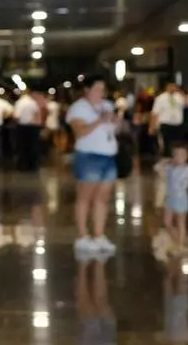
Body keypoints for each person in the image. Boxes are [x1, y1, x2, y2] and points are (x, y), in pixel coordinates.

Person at [66, 75, 119, 255]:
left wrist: (116, 122)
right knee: (85, 196)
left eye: (103, 89)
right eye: (97, 89)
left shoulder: (107, 106)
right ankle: (82, 235)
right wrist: (100, 120)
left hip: (109, 155)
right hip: (89, 156)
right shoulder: (78, 108)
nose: (101, 93)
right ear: (87, 90)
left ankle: (99, 234)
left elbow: (113, 130)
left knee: (102, 198)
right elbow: (80, 132)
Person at [155, 142, 188, 256]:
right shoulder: (169, 168)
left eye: (182, 154)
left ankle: (180, 245)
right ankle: (180, 241)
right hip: (170, 198)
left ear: (187, 156)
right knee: (167, 222)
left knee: (181, 222)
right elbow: (157, 168)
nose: (178, 157)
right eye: (176, 154)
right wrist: (166, 161)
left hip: (181, 198)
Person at [150, 81, 186, 158]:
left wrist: (182, 93)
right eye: (171, 86)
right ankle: (167, 160)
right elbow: (154, 113)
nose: (173, 88)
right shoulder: (160, 98)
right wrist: (152, 127)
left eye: (174, 86)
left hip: (177, 125)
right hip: (165, 125)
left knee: (178, 145)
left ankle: (177, 159)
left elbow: (187, 106)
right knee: (167, 146)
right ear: (167, 87)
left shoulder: (179, 97)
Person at [14, 88, 42, 172]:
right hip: (33, 126)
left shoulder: (19, 102)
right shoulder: (33, 102)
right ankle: (33, 165)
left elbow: (17, 116)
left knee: (22, 147)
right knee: (33, 146)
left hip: (22, 126)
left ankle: (23, 165)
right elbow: (36, 113)